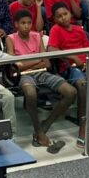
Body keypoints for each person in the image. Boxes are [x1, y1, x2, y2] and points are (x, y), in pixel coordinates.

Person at [7, 8, 76, 153]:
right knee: (31, 93)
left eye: (29, 23)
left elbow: (47, 63)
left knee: (71, 92)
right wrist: (36, 60)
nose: (26, 26)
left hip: (42, 72)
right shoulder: (10, 39)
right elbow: (14, 67)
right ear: (16, 24)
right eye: (23, 23)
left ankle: (46, 124)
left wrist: (26, 62)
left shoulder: (37, 36)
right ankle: (38, 130)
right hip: (23, 75)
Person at [48, 2, 89, 147]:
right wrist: (73, 57)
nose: (63, 18)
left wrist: (87, 64)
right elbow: (51, 49)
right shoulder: (55, 29)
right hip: (69, 67)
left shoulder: (78, 29)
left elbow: (88, 49)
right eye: (59, 16)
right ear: (54, 19)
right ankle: (83, 129)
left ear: (70, 14)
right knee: (83, 85)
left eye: (65, 14)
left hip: (87, 64)